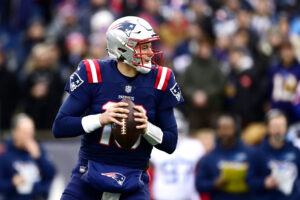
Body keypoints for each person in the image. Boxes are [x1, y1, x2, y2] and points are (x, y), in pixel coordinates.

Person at [52, 16, 184, 200]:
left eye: (150, 46)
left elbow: (170, 143)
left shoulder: (161, 79)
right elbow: (60, 127)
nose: (150, 53)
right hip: (88, 174)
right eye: (143, 47)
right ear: (122, 48)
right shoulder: (93, 72)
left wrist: (147, 128)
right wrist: (101, 119)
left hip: (134, 177)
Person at [195, 113, 252, 200]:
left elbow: (260, 179)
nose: (224, 132)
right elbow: (199, 184)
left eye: (228, 128)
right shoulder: (209, 157)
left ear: (235, 129)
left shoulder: (250, 153)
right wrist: (214, 184)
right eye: (221, 128)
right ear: (217, 130)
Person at [247, 109, 300, 200]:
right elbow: (249, 181)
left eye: (281, 126)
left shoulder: (295, 151)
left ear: (286, 128)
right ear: (268, 128)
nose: (278, 130)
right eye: (275, 126)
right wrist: (264, 183)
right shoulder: (257, 153)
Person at [0, 113, 56, 200]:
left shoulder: (38, 148)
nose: (28, 136)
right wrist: (12, 182)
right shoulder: (5, 152)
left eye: (31, 132)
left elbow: (51, 174)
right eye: (25, 132)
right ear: (15, 132)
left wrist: (39, 157)